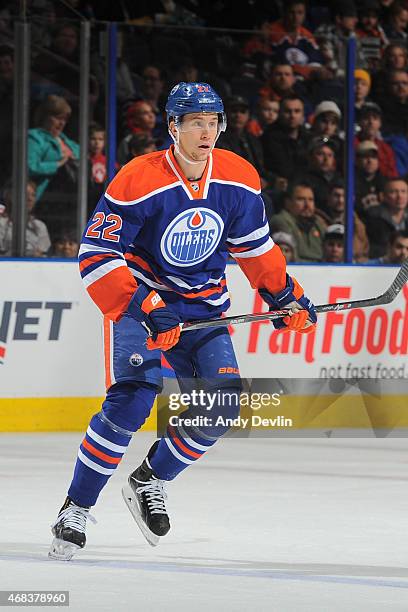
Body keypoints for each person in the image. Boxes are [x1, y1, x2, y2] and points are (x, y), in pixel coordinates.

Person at [49, 82, 317, 560]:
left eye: (213, 121)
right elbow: (96, 254)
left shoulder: (238, 178)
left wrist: (284, 296)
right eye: (195, 121)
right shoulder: (139, 178)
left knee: (222, 406)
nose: (206, 131)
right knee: (132, 400)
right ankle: (76, 507)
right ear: (173, 126)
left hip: (203, 307)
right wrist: (147, 306)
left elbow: (255, 249)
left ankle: (151, 478)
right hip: (142, 301)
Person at [0, 179, 51, 257]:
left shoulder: (40, 226)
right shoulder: (1, 223)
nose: (30, 199)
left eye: (33, 195)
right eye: (25, 194)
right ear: (10, 195)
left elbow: (42, 254)